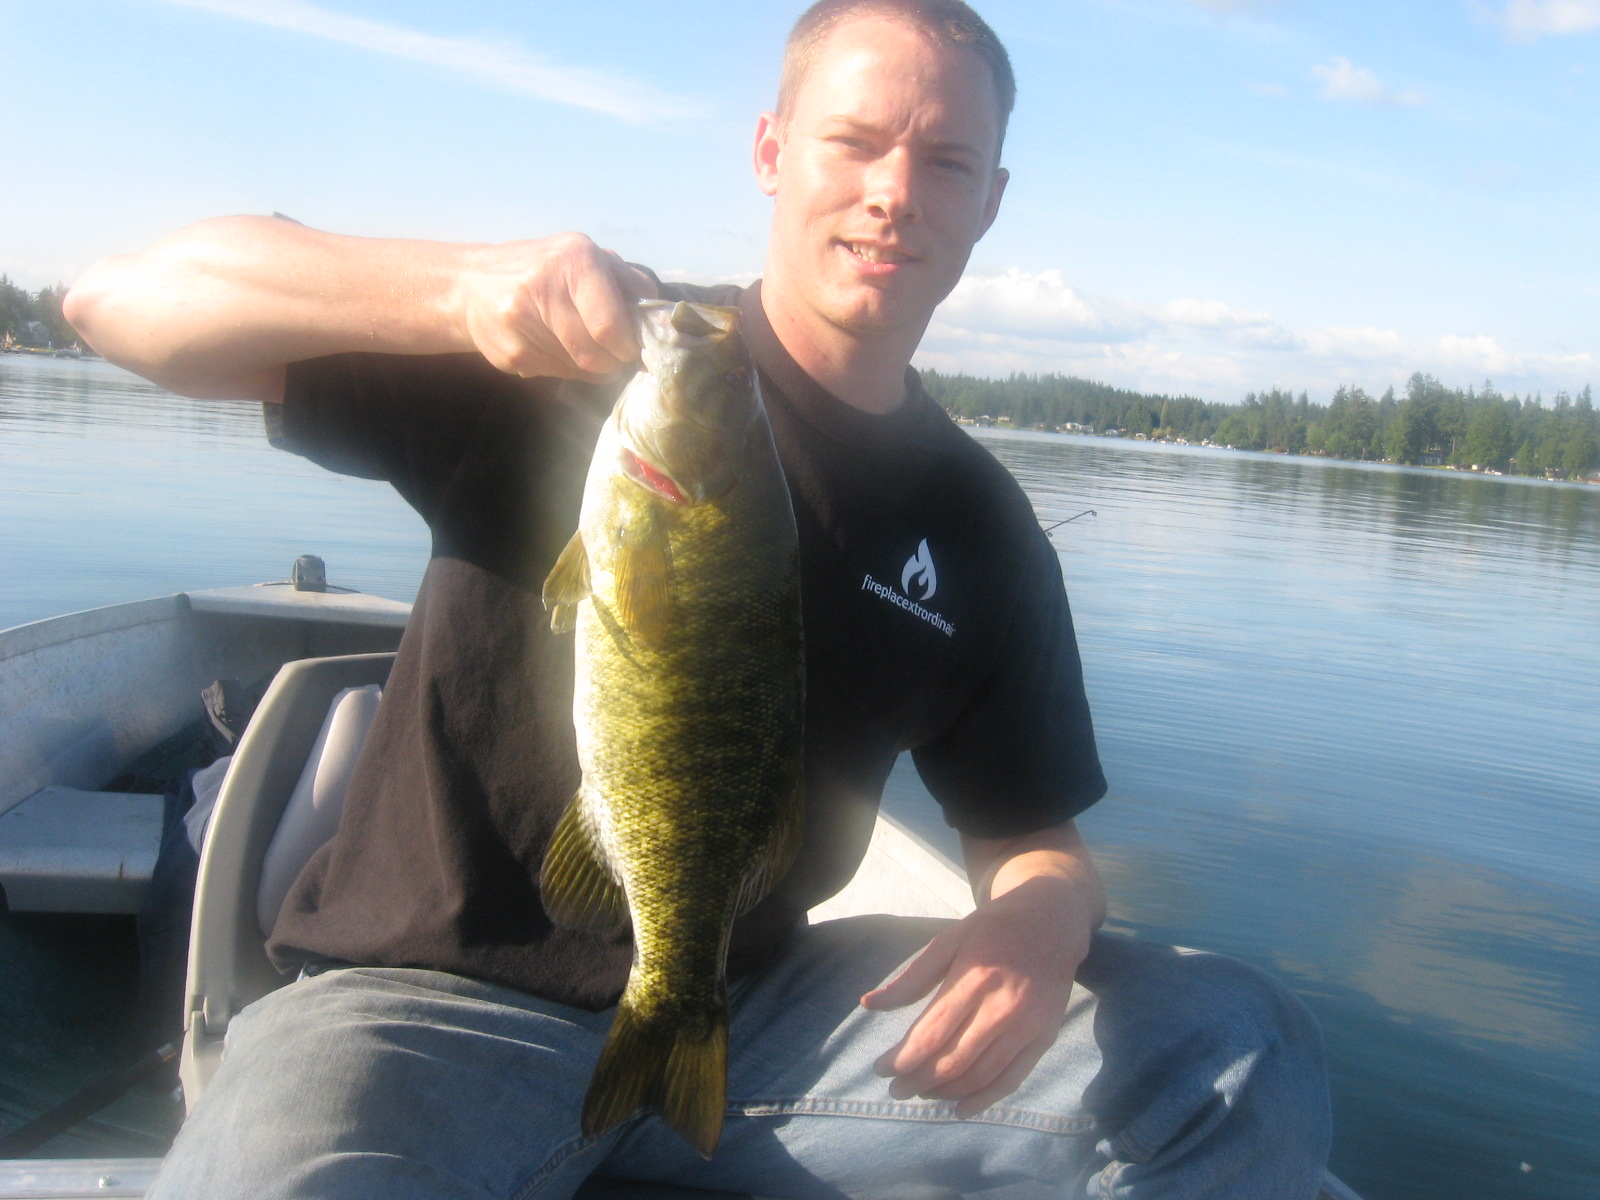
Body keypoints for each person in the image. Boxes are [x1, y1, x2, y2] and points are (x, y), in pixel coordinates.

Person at [66, 2, 1332, 1196]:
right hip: (421, 1006)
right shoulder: (576, 358)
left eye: (946, 161)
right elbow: (117, 303)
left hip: (756, 1011)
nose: (895, 192)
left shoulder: (982, 527)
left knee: (1233, 1053)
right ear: (772, 152)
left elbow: (1028, 835)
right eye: (855, 141)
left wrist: (1046, 912)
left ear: (990, 203)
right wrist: (447, 291)